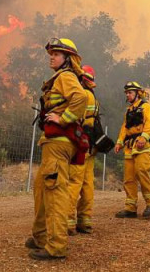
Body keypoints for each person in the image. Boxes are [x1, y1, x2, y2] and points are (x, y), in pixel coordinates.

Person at [25, 38, 87, 261]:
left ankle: (56, 246)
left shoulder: (66, 76)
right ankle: (41, 237)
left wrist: (63, 119)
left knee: (55, 192)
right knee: (42, 189)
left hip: (59, 142)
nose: (51, 57)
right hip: (52, 142)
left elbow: (81, 98)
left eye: (57, 54)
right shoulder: (60, 77)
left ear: (68, 59)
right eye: (51, 53)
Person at [114, 81, 150, 219]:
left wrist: (144, 138)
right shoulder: (129, 110)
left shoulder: (146, 107)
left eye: (130, 92)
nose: (127, 95)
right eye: (126, 93)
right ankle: (130, 208)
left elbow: (149, 124)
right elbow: (124, 128)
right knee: (129, 178)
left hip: (143, 147)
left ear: (138, 93)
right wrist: (119, 142)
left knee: (141, 171)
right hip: (130, 147)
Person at [67, 65, 99, 235]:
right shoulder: (93, 96)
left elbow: (74, 119)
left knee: (74, 182)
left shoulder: (82, 95)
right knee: (87, 184)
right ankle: (84, 220)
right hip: (91, 146)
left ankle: (67, 222)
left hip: (81, 145)